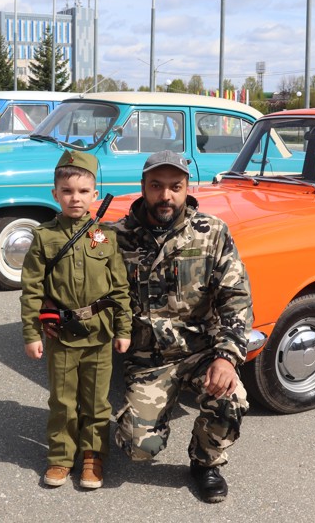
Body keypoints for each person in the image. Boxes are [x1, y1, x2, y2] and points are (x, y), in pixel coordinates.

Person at [111, 150, 253, 504]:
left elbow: (236, 298)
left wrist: (226, 357)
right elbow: (82, 283)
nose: (166, 196)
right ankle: (145, 420)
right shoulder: (116, 237)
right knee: (138, 448)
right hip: (148, 358)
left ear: (189, 187)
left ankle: (205, 463)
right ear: (142, 187)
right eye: (156, 186)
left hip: (200, 352)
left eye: (175, 186)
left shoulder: (212, 232)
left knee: (231, 399)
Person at [20, 150, 131, 490]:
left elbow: (120, 287)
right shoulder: (44, 237)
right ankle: (59, 457)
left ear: (95, 194)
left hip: (98, 335)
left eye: (83, 191)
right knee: (63, 402)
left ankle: (93, 457)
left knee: (97, 402)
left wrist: (124, 328)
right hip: (61, 336)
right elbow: (31, 288)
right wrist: (31, 334)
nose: (75, 198)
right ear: (55, 194)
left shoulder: (106, 237)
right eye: (67, 191)